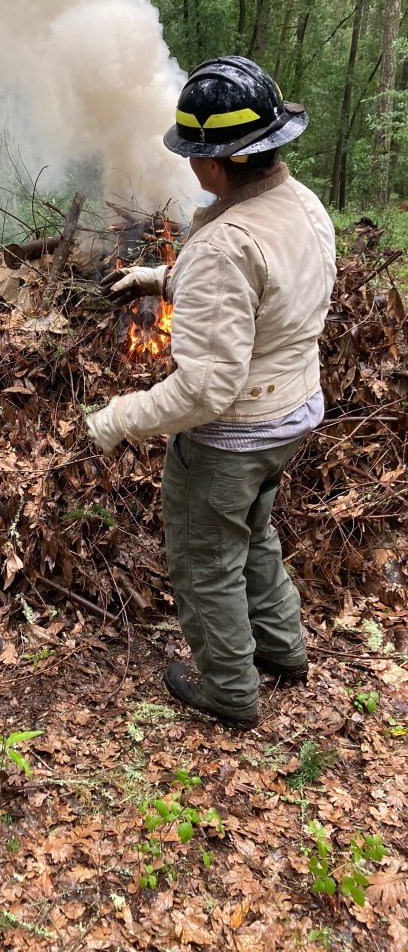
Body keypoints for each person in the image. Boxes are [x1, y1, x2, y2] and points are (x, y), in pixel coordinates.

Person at [85, 56, 337, 730]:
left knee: (205, 560)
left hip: (232, 437)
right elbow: (267, 295)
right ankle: (282, 652)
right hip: (291, 414)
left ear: (220, 164)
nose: (190, 164)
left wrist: (118, 419)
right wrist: (161, 278)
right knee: (253, 534)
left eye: (196, 153)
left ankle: (229, 690)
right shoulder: (302, 204)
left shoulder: (224, 243)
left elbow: (204, 390)